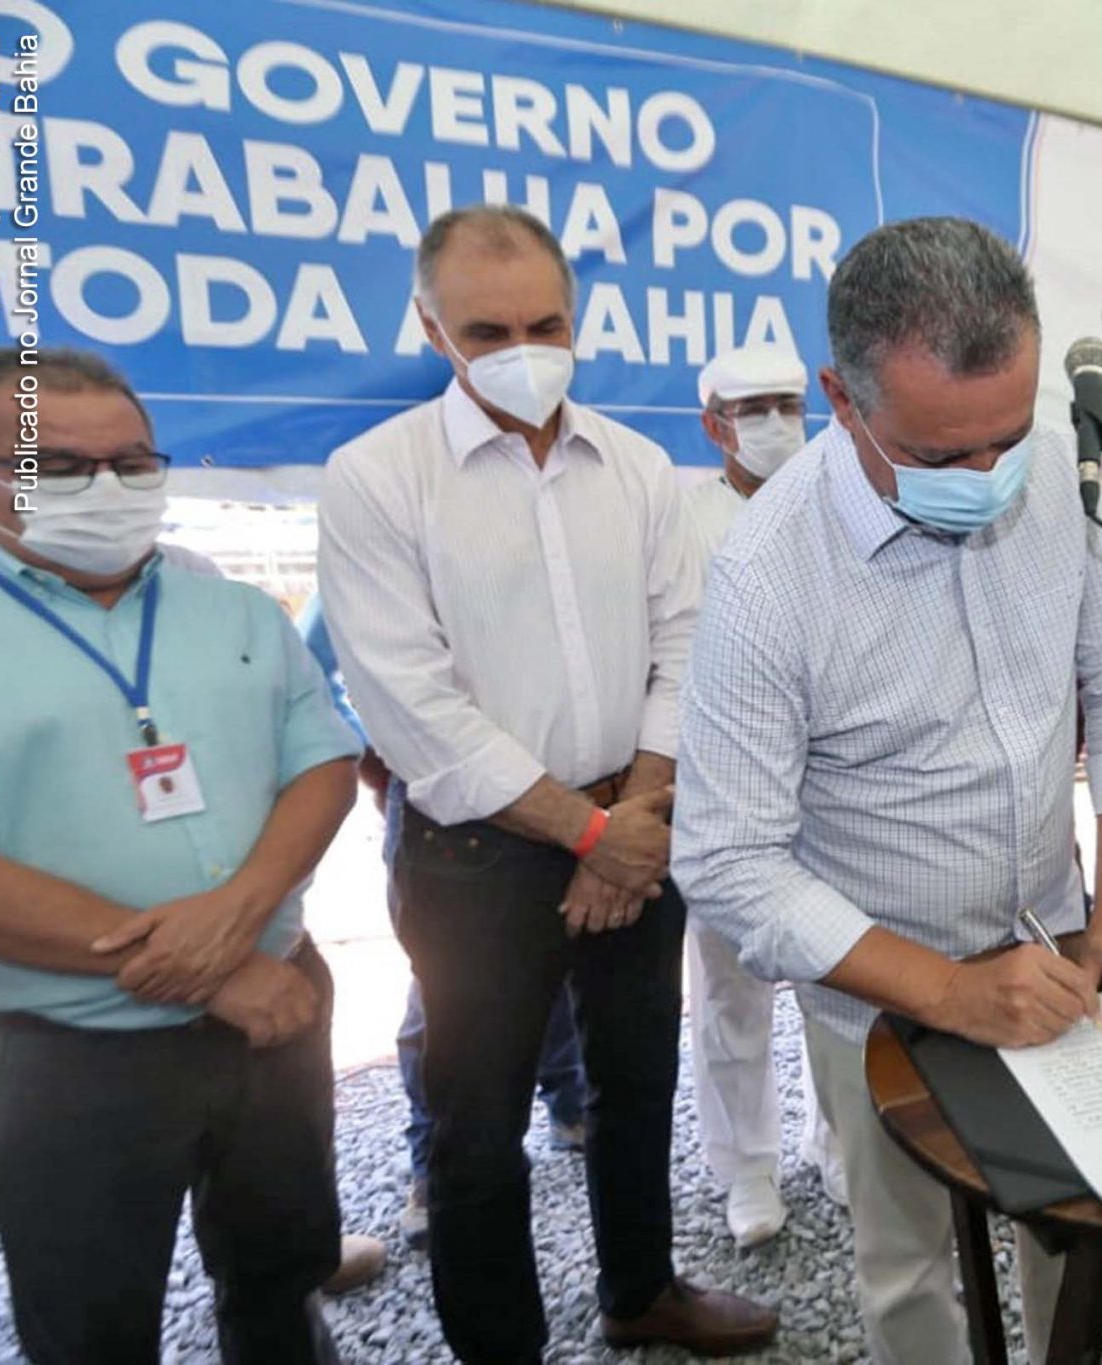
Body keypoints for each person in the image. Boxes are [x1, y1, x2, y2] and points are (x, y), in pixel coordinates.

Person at [674, 216, 1102, 1365]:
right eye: (939, 455)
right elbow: (725, 859)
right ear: (840, 398)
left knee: (1070, 1217)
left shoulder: (1046, 475)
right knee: (909, 1263)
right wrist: (949, 995)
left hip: (1053, 935)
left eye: (1003, 440)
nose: (985, 480)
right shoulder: (767, 577)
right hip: (879, 993)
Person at [317, 205, 776, 1360]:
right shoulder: (376, 478)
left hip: (632, 815)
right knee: (476, 1128)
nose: (522, 347)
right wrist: (590, 835)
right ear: (429, 326)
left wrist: (633, 814)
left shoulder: (633, 465)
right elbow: (410, 704)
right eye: (486, 328)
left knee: (636, 1080)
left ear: (579, 319)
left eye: (545, 322)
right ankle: (500, 1347)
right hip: (478, 854)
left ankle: (639, 1295)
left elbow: (689, 646)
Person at [0, 348, 363, 1361]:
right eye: (61, 467)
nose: (109, 490)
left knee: (280, 1274)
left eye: (134, 464)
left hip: (274, 1018)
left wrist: (244, 915)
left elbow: (322, 766)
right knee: (90, 1319)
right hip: (66, 1052)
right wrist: (214, 971)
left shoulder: (235, 613)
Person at [295, 594, 588, 1251]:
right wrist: (375, 751)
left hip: (555, 793)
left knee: (558, 959)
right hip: (449, 807)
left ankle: (567, 1101)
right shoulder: (372, 544)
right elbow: (311, 672)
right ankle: (432, 1161)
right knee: (446, 993)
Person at [681, 343, 847, 1250]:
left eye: (788, 405)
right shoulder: (680, 522)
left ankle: (840, 1144)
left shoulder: (837, 509)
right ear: (714, 425)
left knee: (840, 976)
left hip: (833, 790)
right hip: (728, 793)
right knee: (731, 994)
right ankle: (747, 1170)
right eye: (753, 410)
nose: (775, 424)